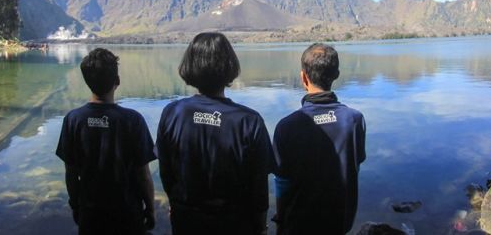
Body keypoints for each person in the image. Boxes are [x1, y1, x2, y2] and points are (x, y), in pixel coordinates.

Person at [156, 32, 274, 235]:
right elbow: (259, 188)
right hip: (236, 224)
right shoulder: (249, 121)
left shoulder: (172, 113)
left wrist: (175, 204)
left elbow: (166, 171)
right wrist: (260, 226)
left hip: (187, 221)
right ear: (229, 66)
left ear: (190, 65)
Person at [55, 48, 156, 235]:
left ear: (87, 82)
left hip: (90, 213)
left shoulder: (73, 119)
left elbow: (71, 173)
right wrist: (150, 208)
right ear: (117, 82)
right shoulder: (133, 120)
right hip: (128, 213)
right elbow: (143, 175)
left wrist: (76, 205)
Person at [272, 43, 366, 235]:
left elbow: (282, 182)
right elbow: (354, 165)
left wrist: (280, 219)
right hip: (340, 222)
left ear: (303, 77)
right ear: (337, 74)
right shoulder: (354, 120)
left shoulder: (287, 126)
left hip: (298, 225)